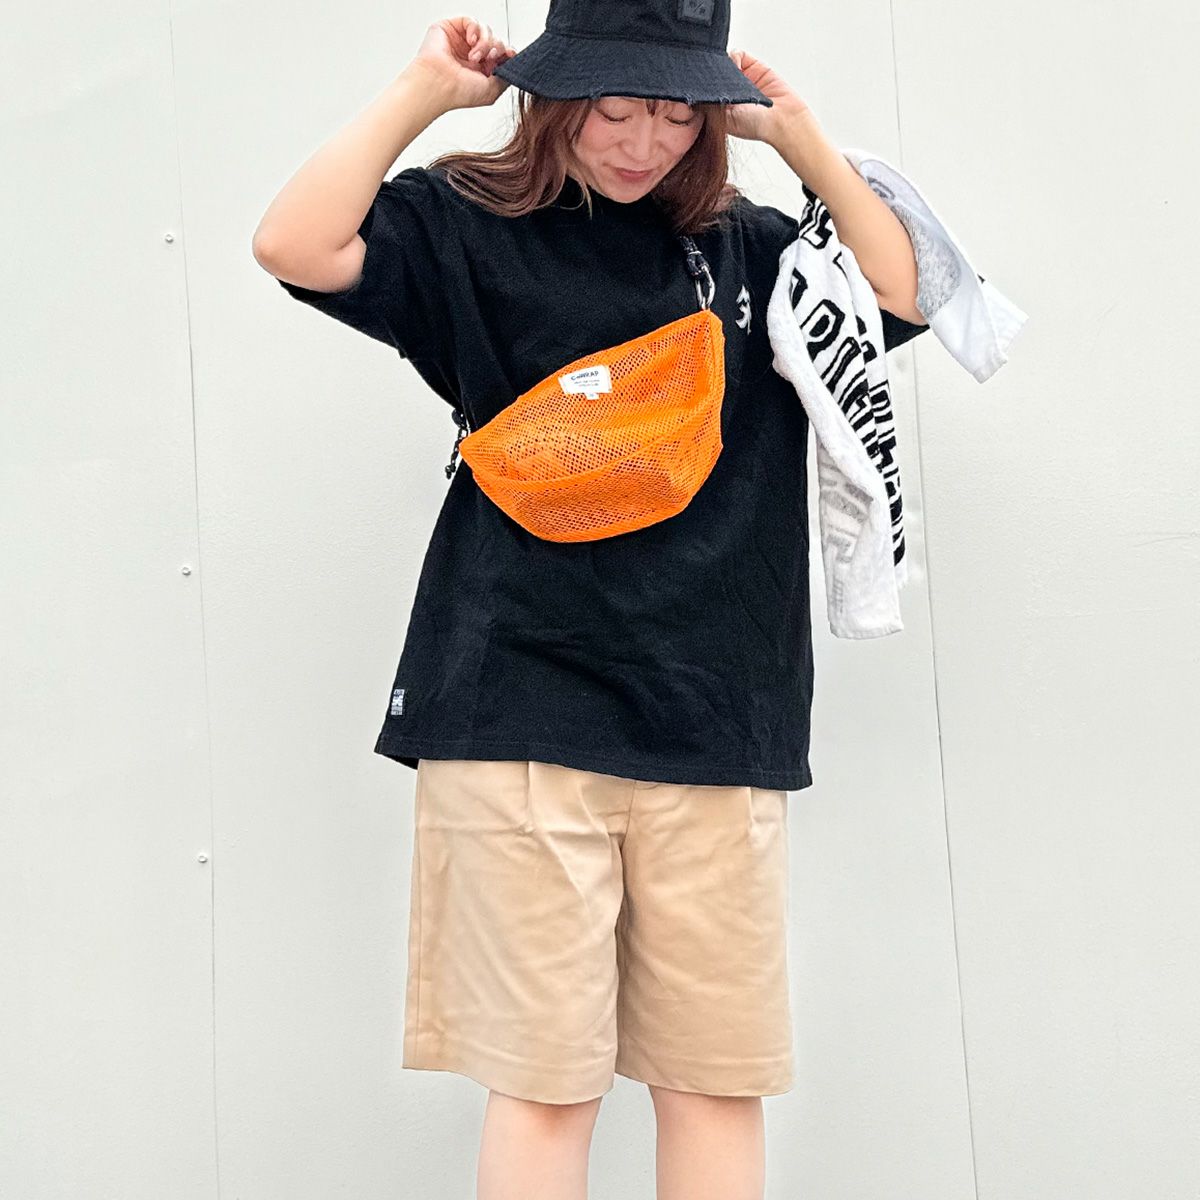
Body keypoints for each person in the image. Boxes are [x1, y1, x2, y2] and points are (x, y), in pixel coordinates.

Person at [252, 3, 929, 1197]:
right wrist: (424, 93)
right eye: (614, 108)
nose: (644, 142)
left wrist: (802, 141)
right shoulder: (468, 226)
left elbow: (905, 295)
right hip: (521, 712)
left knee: (714, 1085)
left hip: (720, 718)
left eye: (677, 114)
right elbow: (294, 244)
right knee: (546, 1089)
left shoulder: (752, 250)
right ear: (556, 95)